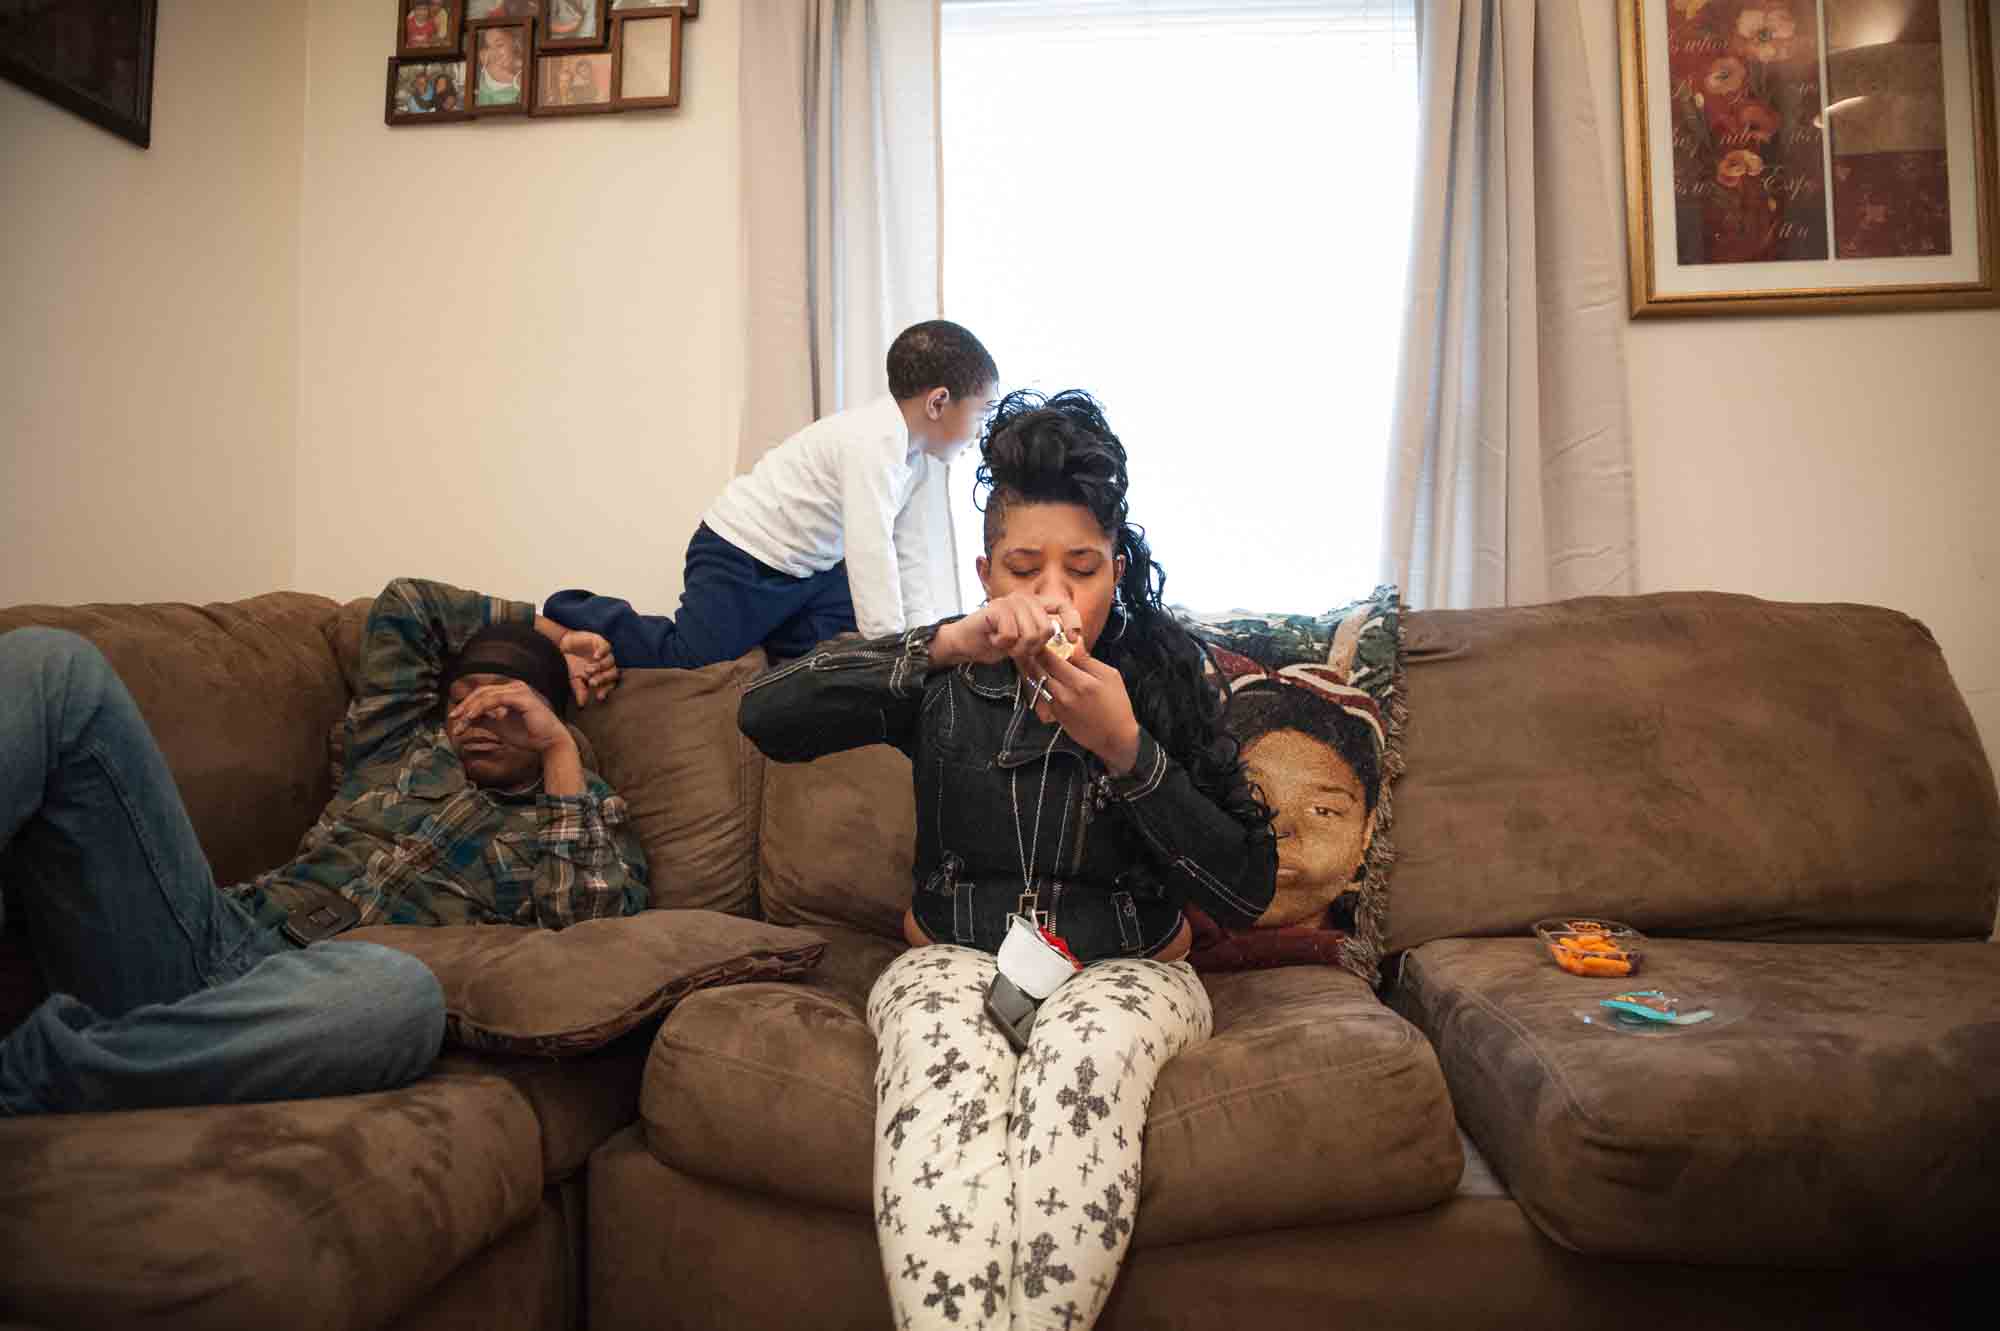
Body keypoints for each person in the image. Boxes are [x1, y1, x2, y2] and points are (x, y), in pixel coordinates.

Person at [739, 390, 1276, 1331]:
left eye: (1084, 568)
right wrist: (946, 641)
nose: (1057, 597)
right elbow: (767, 715)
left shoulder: (1162, 674)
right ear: (988, 573)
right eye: (1025, 570)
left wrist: (1128, 752)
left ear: (1119, 567)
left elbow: (1248, 884)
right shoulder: (950, 671)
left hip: (1132, 969)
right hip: (953, 955)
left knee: (1084, 1060)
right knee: (942, 1078)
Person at [0, 577, 646, 1116]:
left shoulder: (584, 812)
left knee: (400, 1001)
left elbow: (586, 944)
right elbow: (405, 606)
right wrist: (554, 632)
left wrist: (559, 750)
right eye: (461, 701)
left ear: (546, 716)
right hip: (213, 934)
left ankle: (36, 1071)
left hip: (312, 997)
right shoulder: (398, 745)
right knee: (52, 665)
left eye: (506, 706)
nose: (475, 718)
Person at [544, 320, 1001, 669]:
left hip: (810, 572)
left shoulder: (914, 463)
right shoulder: (871, 444)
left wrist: (919, 639)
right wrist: (894, 653)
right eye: (982, 411)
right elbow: (870, 550)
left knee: (825, 652)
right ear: (938, 402)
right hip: (740, 553)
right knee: (692, 656)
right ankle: (579, 610)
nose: (980, 429)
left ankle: (783, 640)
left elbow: (909, 557)